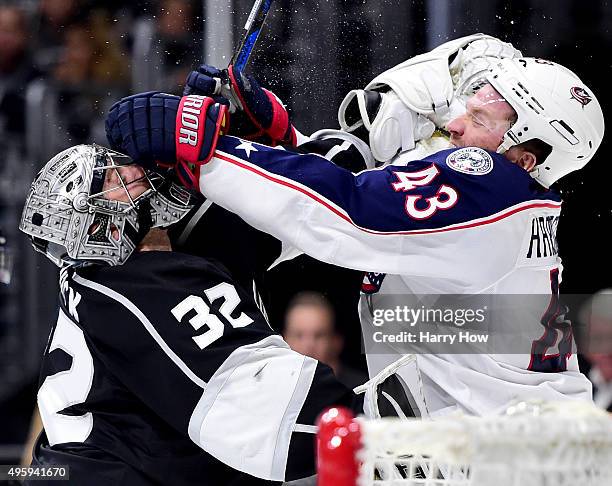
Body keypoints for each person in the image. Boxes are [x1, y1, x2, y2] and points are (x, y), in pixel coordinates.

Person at [105, 47, 604, 417]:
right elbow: (359, 193)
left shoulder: (492, 188)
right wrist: (280, 140)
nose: (452, 125)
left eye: (476, 117)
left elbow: (343, 213)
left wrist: (207, 144)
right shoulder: (506, 210)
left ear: (525, 156)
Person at [18, 144, 356, 485]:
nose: (133, 170)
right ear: (102, 228)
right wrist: (369, 418)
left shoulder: (110, 277)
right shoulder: (146, 287)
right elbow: (281, 424)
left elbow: (282, 209)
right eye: (111, 179)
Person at [283, 292, 367, 389]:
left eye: (319, 335)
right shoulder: (270, 387)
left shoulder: (361, 393)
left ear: (336, 341)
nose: (308, 344)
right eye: (298, 335)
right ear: (283, 340)